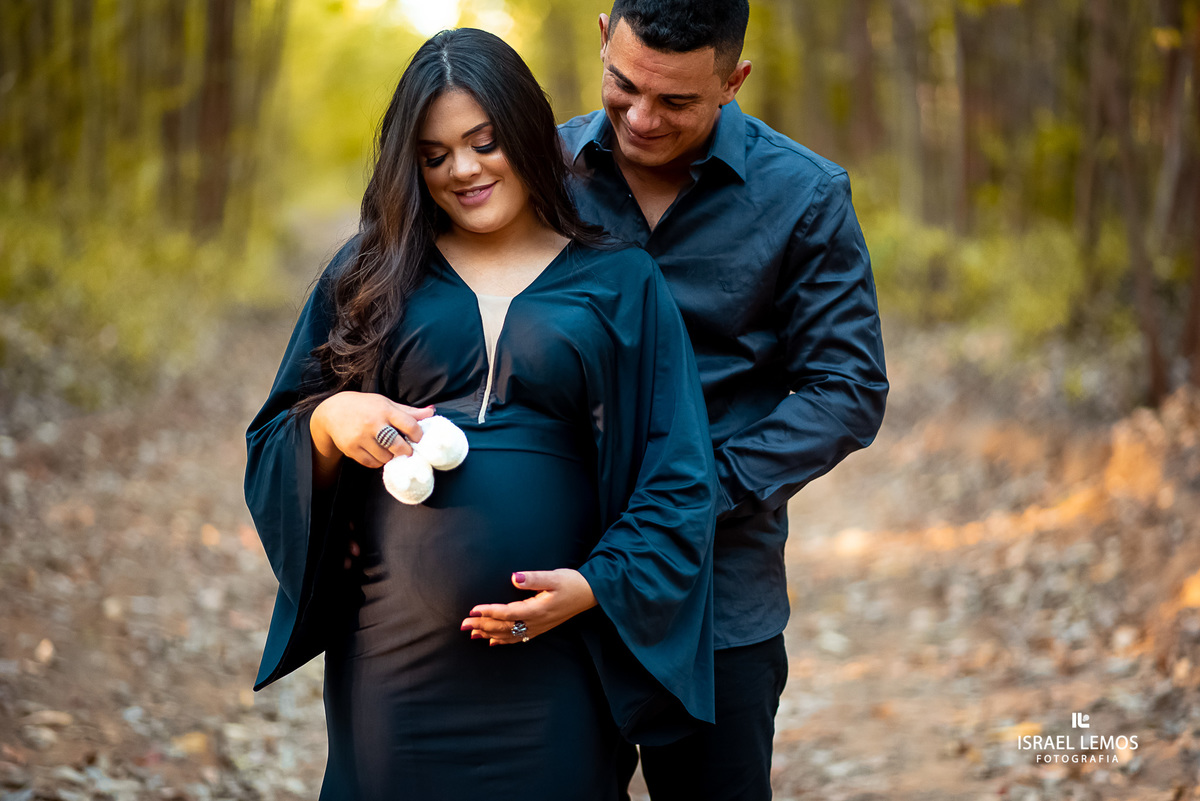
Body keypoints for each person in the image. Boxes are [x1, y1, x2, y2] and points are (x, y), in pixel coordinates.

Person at [244, 28, 718, 801]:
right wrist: (332, 421)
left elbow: (679, 472)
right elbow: (275, 438)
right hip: (392, 665)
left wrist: (596, 585)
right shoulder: (370, 272)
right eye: (434, 155)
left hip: (559, 667)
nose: (462, 169)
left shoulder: (620, 279)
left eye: (483, 141)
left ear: (526, 132)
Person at [558, 1, 889, 799]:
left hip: (718, 597)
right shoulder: (537, 172)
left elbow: (848, 389)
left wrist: (695, 490)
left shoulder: (805, 196)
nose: (641, 117)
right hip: (555, 573)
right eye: (623, 84)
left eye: (676, 101)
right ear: (603, 37)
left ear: (734, 81)